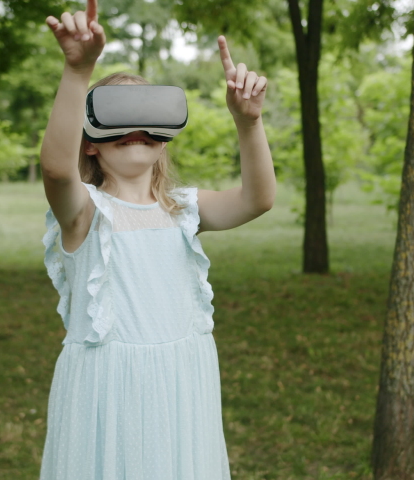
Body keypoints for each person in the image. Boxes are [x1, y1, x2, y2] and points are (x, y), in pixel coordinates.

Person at [38, 0, 275, 478]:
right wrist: (77, 70)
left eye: (149, 117)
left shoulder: (185, 209)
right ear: (91, 140)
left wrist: (248, 122)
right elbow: (55, 168)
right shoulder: (84, 212)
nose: (136, 129)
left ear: (165, 135)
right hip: (107, 393)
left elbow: (257, 199)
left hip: (182, 386)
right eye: (118, 116)